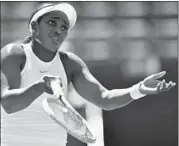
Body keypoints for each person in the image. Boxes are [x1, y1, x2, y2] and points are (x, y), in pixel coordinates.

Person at [1, 2, 176, 146]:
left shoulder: (70, 63)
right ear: (34, 27)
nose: (59, 30)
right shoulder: (14, 54)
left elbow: (104, 98)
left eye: (64, 27)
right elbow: (8, 104)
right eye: (52, 23)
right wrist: (39, 87)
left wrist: (138, 89)